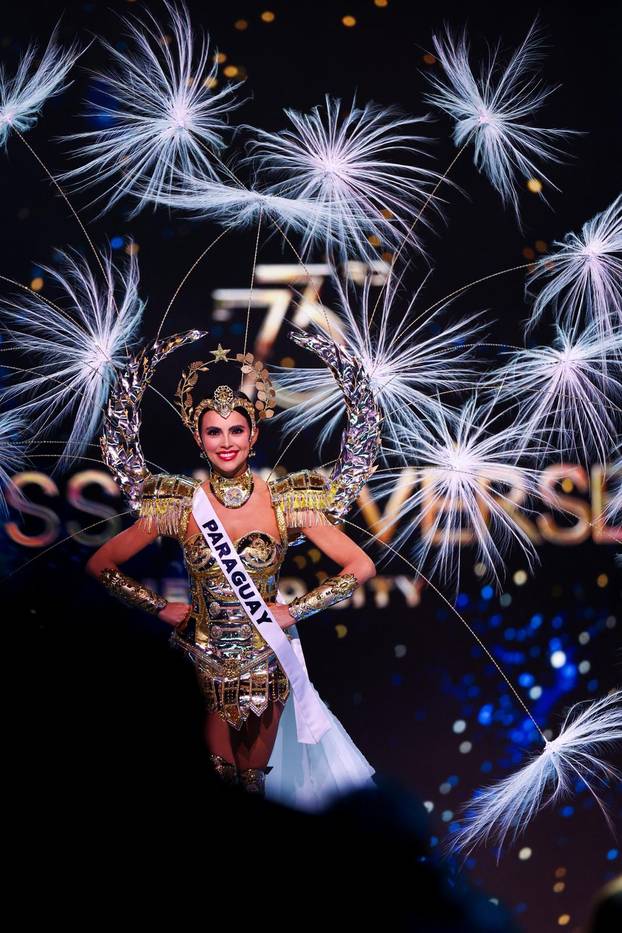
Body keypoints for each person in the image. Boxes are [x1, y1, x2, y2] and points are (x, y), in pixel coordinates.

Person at [87, 341, 379, 805]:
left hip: (267, 661)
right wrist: (161, 608)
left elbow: (361, 565)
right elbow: (101, 565)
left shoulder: (288, 500)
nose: (226, 442)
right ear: (198, 437)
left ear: (254, 436)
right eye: (214, 432)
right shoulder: (180, 504)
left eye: (237, 431)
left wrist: (295, 611)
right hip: (199, 662)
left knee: (253, 787)